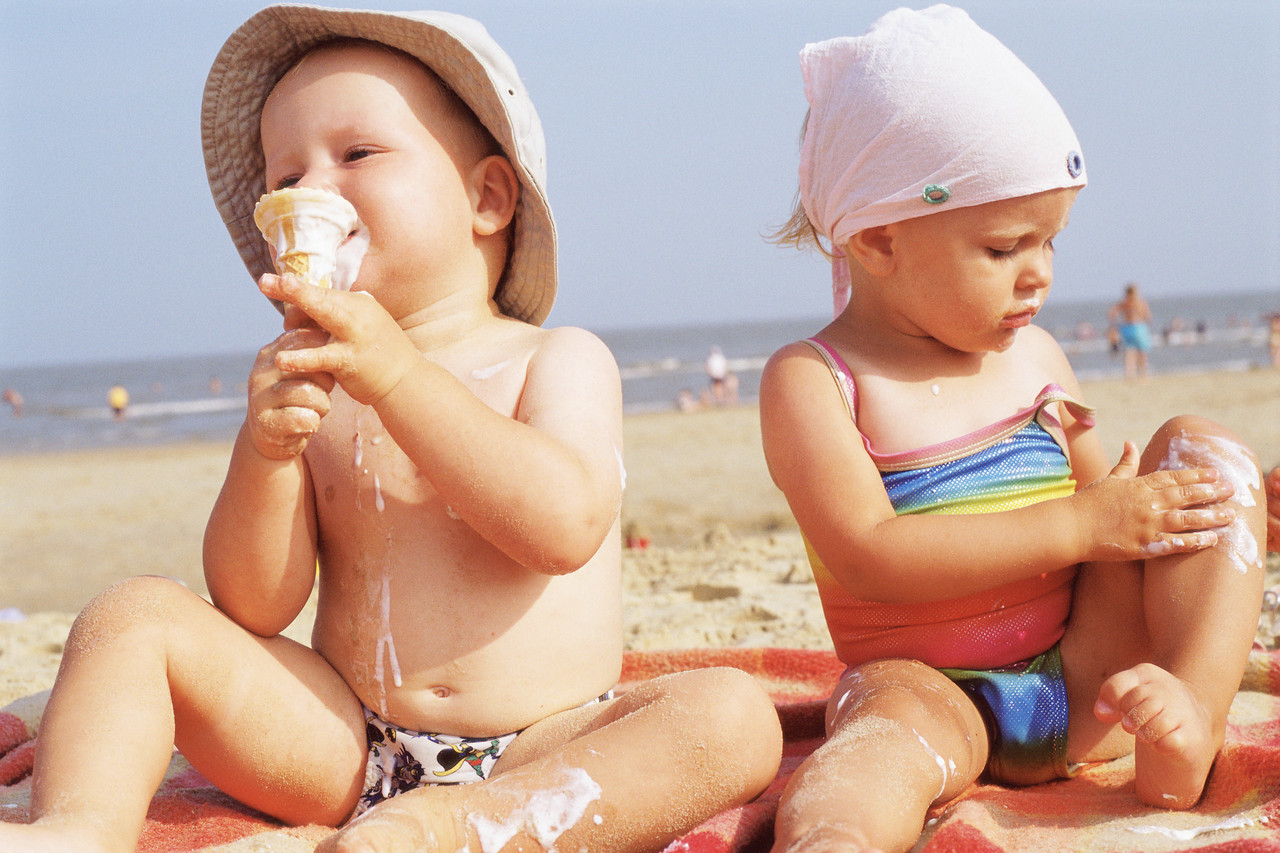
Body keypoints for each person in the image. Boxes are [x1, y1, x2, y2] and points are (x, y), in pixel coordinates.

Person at [0, 8, 782, 852]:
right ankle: (75, 828)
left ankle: (465, 824)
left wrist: (401, 378)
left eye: (357, 154)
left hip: (539, 740)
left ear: (487, 197)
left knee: (731, 718)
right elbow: (256, 602)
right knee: (132, 615)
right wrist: (265, 454)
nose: (312, 188)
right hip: (344, 740)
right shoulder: (317, 383)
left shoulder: (556, 359)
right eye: (286, 173)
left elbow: (562, 525)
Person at [757, 8, 1264, 852]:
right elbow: (866, 552)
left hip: (1089, 666)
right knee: (880, 740)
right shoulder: (817, 382)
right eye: (1004, 248)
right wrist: (1080, 523)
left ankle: (1192, 710)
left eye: (1052, 241)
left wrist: (1137, 504)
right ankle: (835, 836)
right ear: (880, 240)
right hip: (935, 688)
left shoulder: (1036, 355)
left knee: (1205, 449)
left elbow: (1106, 500)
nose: (1041, 275)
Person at [1108, 281, 1153, 380]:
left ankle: (1129, 375)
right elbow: (1148, 316)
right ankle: (1143, 374)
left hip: (1126, 328)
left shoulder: (1124, 303)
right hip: (1138, 327)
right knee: (1141, 352)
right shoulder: (1140, 302)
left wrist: (1116, 323)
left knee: (1129, 352)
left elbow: (1112, 313)